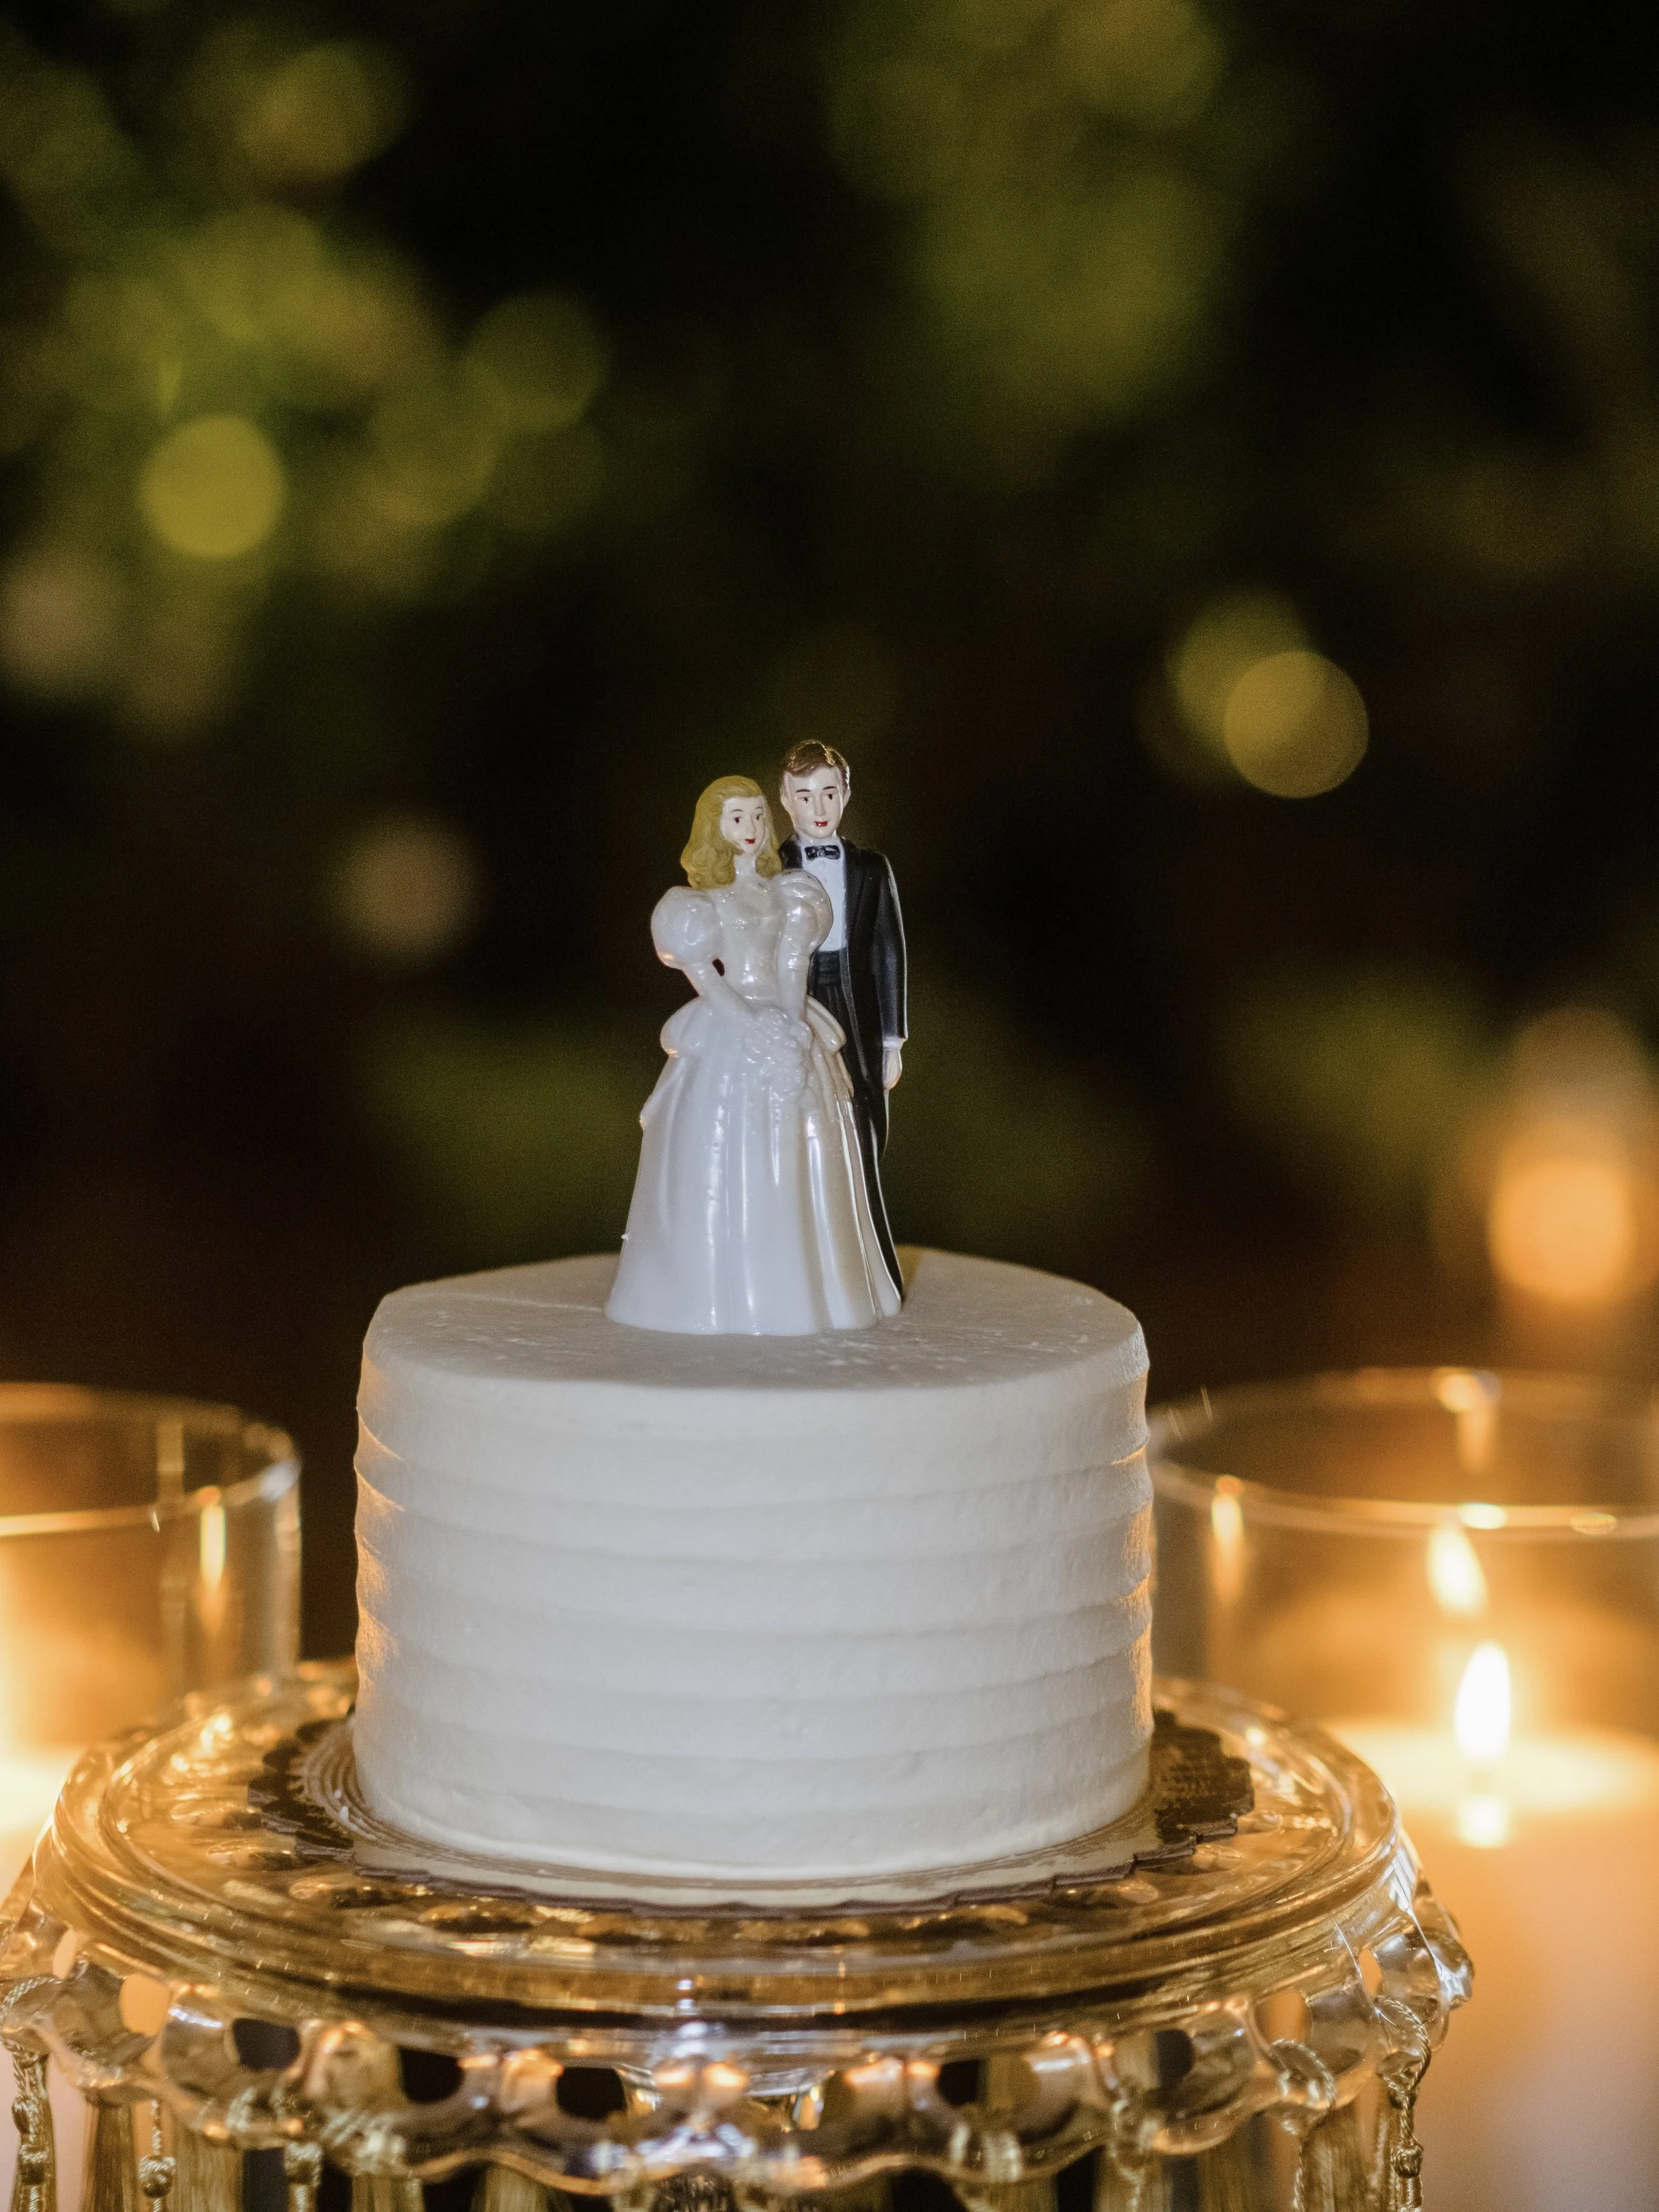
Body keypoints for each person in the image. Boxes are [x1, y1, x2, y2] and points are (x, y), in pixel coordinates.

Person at [607, 774, 901, 1336]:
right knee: (722, 1138)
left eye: (758, 816)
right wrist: (753, 1028)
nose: (751, 828)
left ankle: (815, 1285)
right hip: (730, 1019)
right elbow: (704, 977)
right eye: (737, 817)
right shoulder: (696, 904)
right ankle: (712, 1287)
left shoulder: (789, 893)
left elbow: (794, 964)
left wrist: (790, 1025)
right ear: (714, 828)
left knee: (808, 1133)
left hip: (785, 1013)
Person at [776, 740, 906, 1297]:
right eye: (805, 796)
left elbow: (889, 949)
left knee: (867, 1124)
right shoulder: (772, 867)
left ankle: (874, 1260)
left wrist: (893, 1040)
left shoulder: (872, 870)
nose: (819, 807)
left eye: (829, 793)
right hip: (796, 1002)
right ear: (786, 800)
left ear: (846, 794)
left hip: (857, 1005)